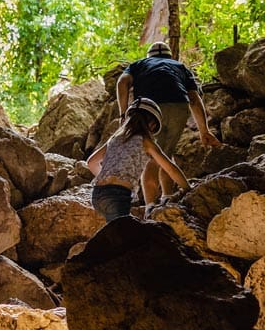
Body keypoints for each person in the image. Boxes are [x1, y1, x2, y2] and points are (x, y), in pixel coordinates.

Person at [116, 42, 221, 200]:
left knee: (150, 156)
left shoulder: (139, 65)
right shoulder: (180, 67)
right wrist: (204, 131)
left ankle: (150, 207)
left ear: (149, 57)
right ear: (170, 56)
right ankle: (167, 196)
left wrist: (123, 114)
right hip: (178, 107)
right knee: (166, 152)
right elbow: (194, 98)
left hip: (149, 108)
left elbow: (122, 82)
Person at [87, 98, 187, 222]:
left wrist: (108, 178)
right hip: (118, 195)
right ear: (151, 124)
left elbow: (91, 162)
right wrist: (188, 188)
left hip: (97, 194)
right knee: (122, 235)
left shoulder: (114, 139)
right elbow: (170, 169)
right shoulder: (146, 142)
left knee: (115, 229)